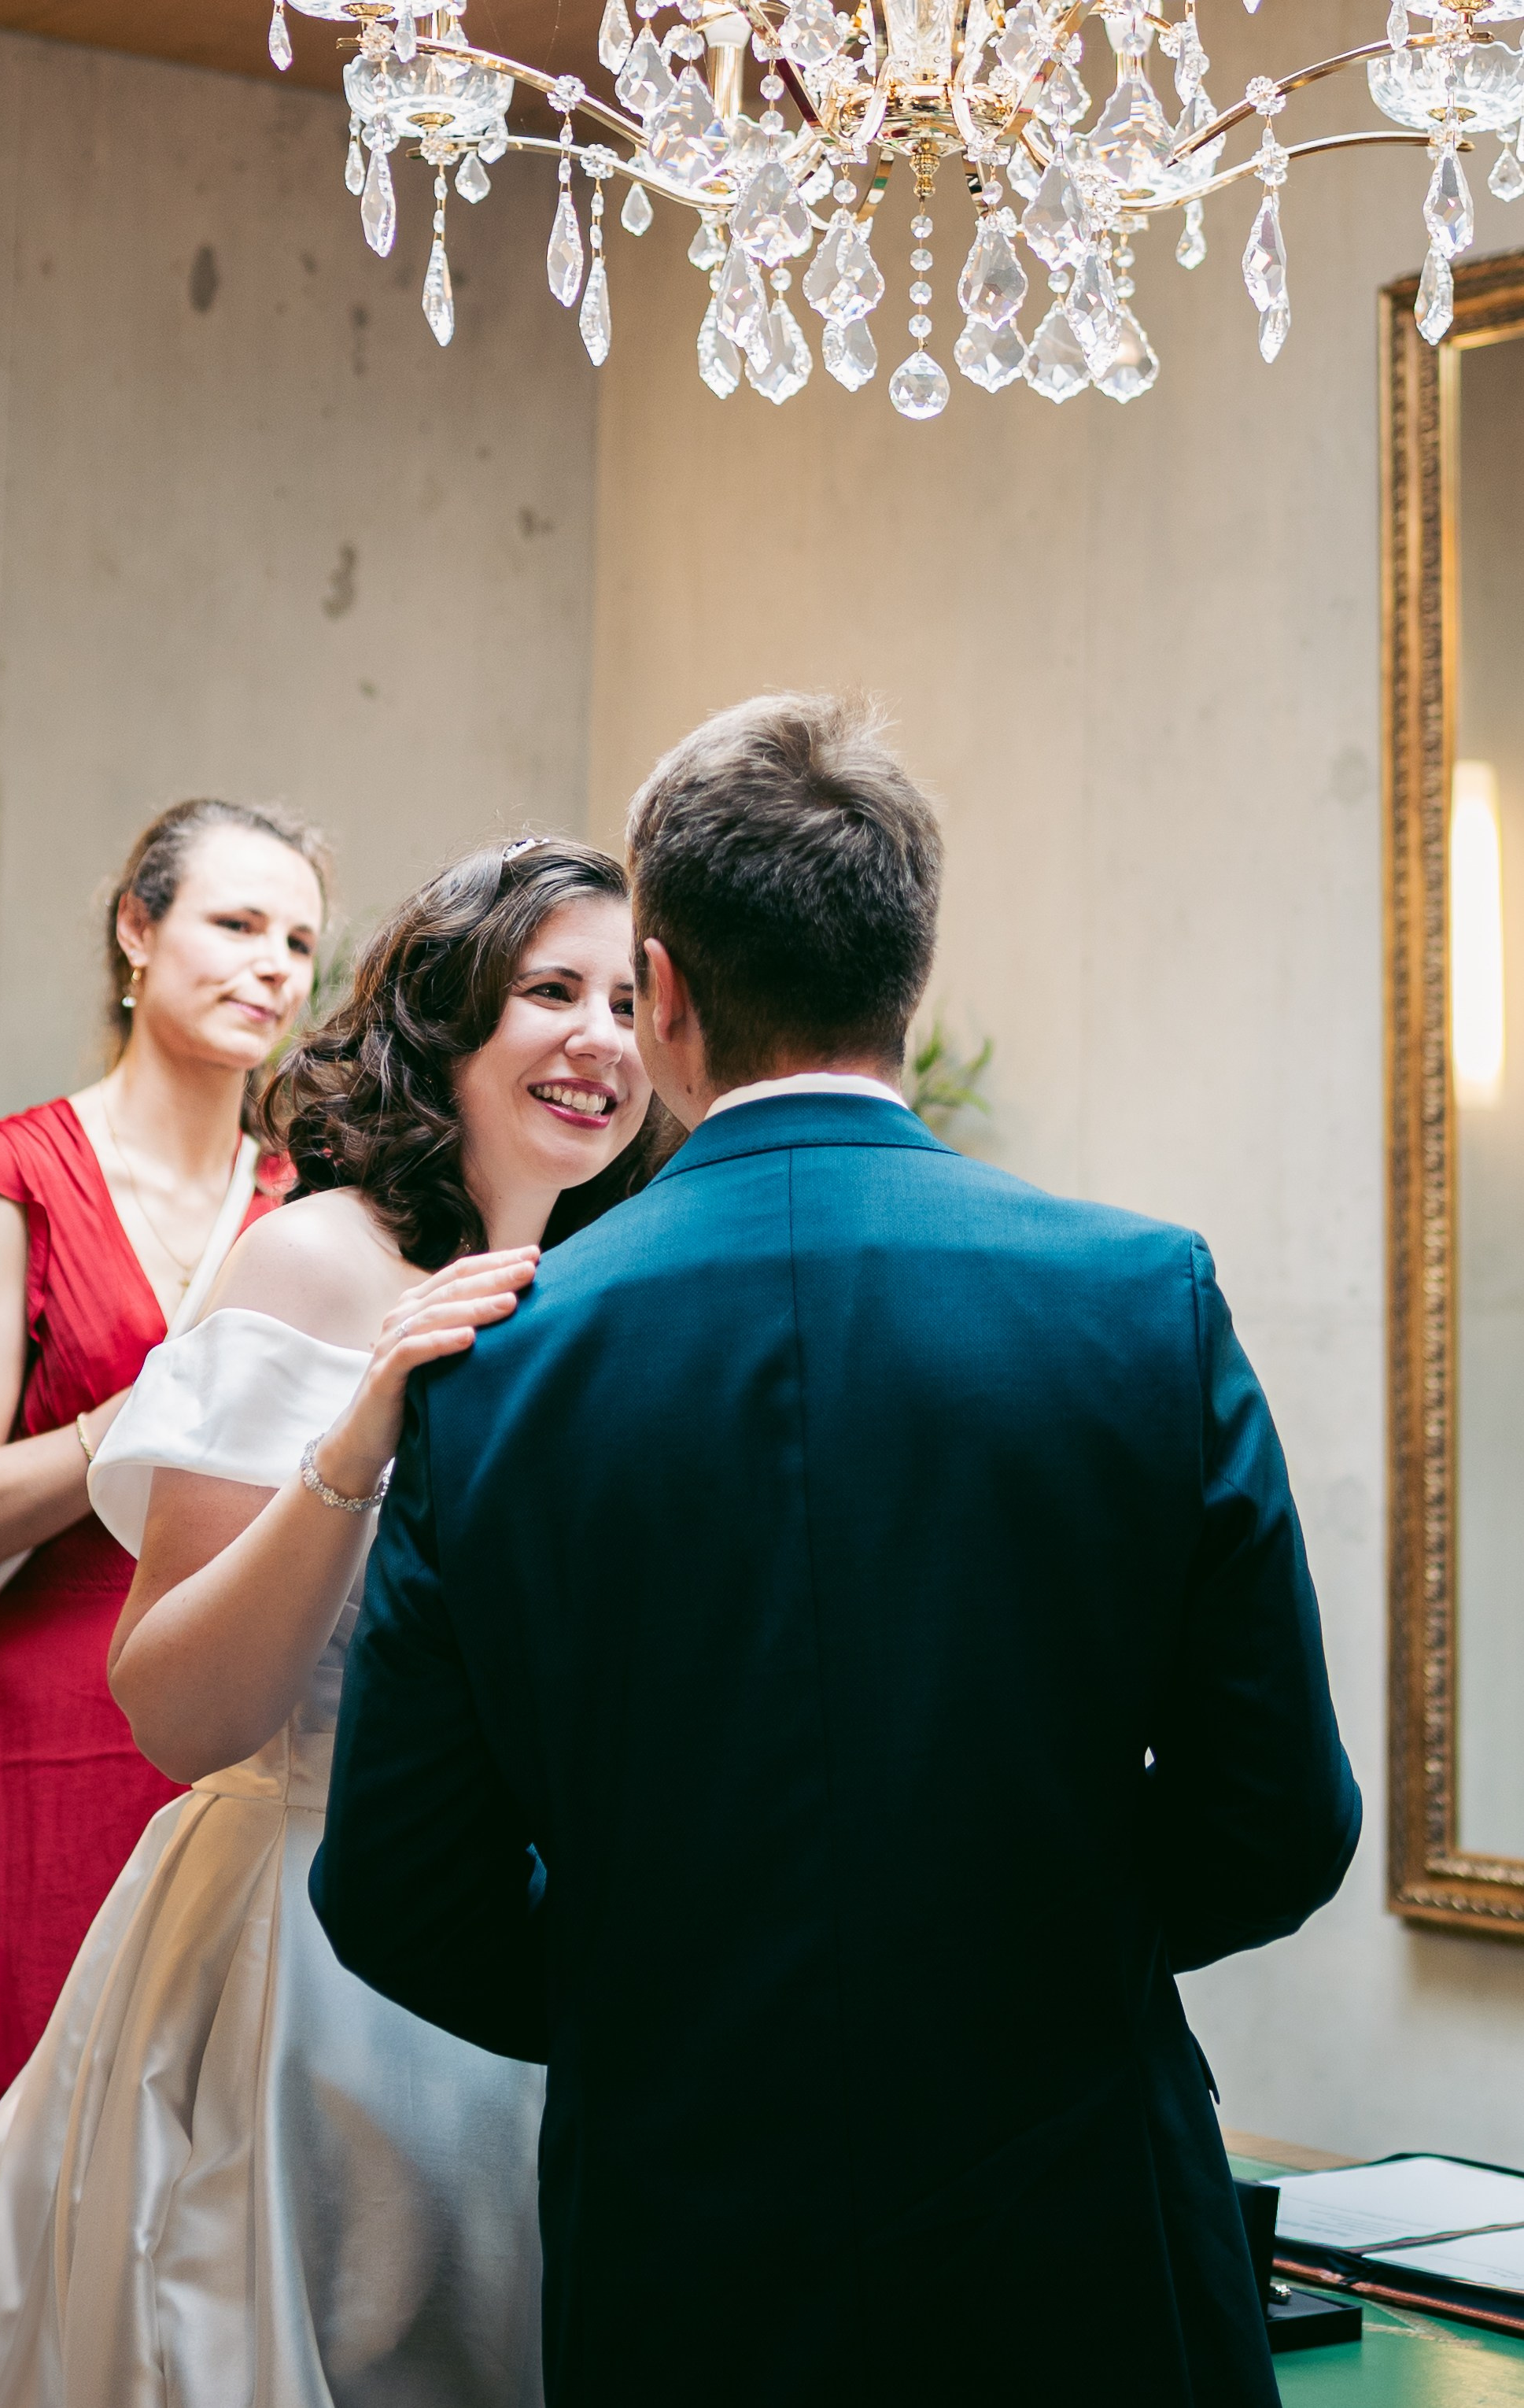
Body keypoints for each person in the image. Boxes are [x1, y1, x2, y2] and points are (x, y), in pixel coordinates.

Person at [313, 695, 1364, 2408]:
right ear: (911, 975)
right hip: (1077, 2225)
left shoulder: (494, 1361)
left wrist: (670, 1986)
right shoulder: (1138, 1301)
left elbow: (401, 1887)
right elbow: (1279, 1815)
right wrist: (1033, 1950)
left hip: (678, 2243)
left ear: (658, 992)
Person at [0, 836, 667, 2408]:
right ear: (449, 1021)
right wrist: (360, 1439)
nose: (600, 1039)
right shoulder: (314, 1262)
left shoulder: (610, 1294)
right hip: (314, 1967)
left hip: (549, 1987)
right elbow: (179, 1712)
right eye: (551, 990)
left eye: (630, 1000)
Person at [0, 798, 327, 2340]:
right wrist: (130, 1423)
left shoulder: (307, 1202)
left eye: (303, 942)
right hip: (35, 1742)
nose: (274, 969)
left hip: (231, 1739)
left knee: (193, 2205)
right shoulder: (16, 1174)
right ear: (137, 927)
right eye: (237, 925)